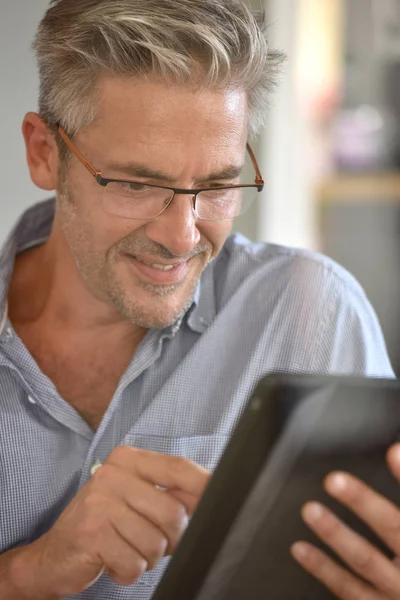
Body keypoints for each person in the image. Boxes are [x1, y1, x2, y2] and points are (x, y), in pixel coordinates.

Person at [0, 0, 399, 598]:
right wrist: (27, 574)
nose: (182, 237)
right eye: (136, 183)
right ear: (44, 154)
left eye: (216, 186)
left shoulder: (314, 313)